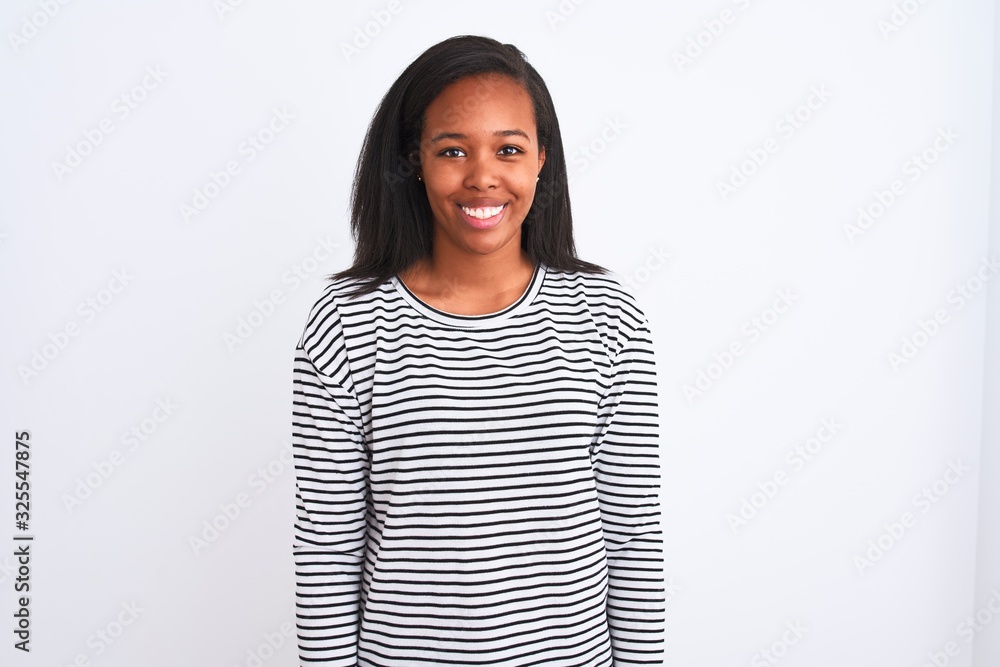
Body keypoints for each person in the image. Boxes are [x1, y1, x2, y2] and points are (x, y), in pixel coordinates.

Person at [291, 34, 664, 666]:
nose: (482, 176)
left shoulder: (606, 318)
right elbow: (328, 551)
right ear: (414, 160)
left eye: (508, 149)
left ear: (542, 159)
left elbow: (633, 540)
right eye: (452, 150)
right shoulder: (349, 325)